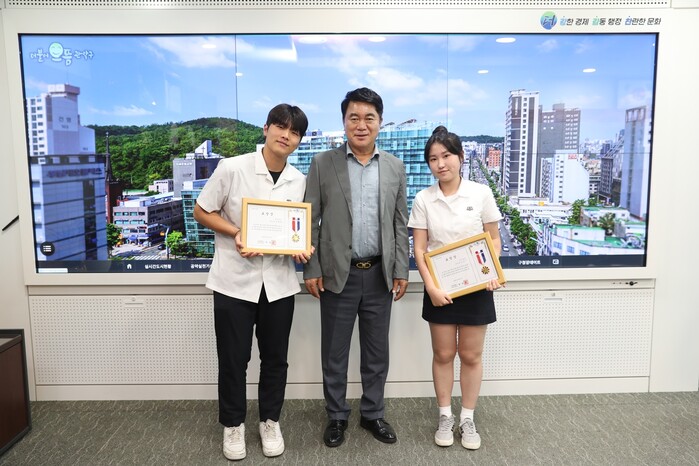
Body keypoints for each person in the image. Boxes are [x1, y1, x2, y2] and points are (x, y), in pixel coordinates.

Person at [193, 104, 311, 461]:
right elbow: (201, 210)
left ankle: (270, 421)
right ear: (266, 128)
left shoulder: (298, 180)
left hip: (279, 284)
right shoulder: (233, 167)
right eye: (280, 127)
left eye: (294, 132)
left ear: (299, 140)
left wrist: (302, 247)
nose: (285, 135)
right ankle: (233, 425)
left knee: (276, 359)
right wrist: (236, 232)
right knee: (234, 359)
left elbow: (295, 229)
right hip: (234, 282)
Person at [303, 87, 410, 447]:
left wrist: (401, 269)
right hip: (338, 274)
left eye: (369, 118)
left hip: (379, 274)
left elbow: (399, 223)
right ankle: (336, 415)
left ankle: (372, 413)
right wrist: (311, 268)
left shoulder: (394, 166)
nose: (361, 125)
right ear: (344, 121)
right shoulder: (323, 163)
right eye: (354, 118)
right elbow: (310, 219)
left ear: (380, 122)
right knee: (334, 353)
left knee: (377, 353)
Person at [408, 126, 503, 450]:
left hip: (477, 287)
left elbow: (493, 240)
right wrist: (431, 289)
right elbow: (420, 249)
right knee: (444, 354)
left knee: (471, 355)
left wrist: (491, 271)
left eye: (446, 156)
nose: (440, 164)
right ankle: (445, 415)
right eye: (433, 159)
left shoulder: (480, 193)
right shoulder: (424, 199)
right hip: (440, 288)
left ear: (460, 157)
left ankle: (468, 418)